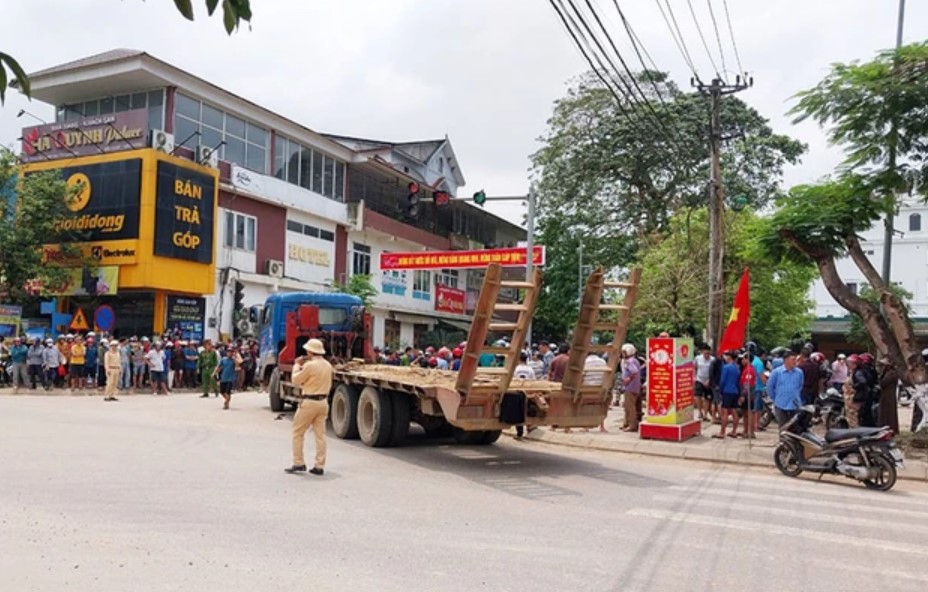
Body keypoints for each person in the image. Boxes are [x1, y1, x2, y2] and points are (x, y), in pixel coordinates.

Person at [285, 338, 333, 476]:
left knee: (298, 432)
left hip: (309, 402)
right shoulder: (327, 365)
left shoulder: (310, 365)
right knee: (320, 435)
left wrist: (296, 366)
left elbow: (296, 380)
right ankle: (319, 465)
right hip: (323, 402)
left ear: (310, 351)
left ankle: (298, 462)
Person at [766, 350, 804, 428]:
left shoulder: (799, 372)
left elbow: (800, 386)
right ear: (786, 360)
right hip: (781, 404)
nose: (795, 361)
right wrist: (776, 398)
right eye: (793, 359)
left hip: (795, 404)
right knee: (783, 428)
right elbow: (770, 387)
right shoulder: (777, 372)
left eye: (795, 359)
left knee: (795, 428)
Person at [714, 352, 741, 439]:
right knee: (733, 411)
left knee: (724, 412)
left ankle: (722, 432)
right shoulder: (737, 368)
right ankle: (734, 431)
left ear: (729, 357)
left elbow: (722, 381)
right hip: (735, 391)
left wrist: (720, 390)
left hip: (727, 391)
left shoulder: (726, 367)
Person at [620, 343, 641, 432]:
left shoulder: (630, 361)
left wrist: (628, 379)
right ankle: (626, 423)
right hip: (635, 386)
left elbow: (634, 371)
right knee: (628, 406)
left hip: (630, 387)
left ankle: (632, 425)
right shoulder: (635, 360)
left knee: (630, 407)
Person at [693, 345, 714, 422]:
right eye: (705, 353)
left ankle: (705, 414)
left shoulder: (712, 360)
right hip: (699, 379)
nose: (707, 355)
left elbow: (713, 372)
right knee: (698, 396)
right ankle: (700, 412)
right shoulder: (698, 358)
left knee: (707, 398)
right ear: (702, 352)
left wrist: (709, 380)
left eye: (708, 353)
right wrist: (694, 377)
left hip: (708, 381)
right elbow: (694, 367)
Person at [843, 354, 862, 428]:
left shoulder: (858, 373)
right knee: (849, 417)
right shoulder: (851, 372)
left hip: (852, 398)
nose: (849, 365)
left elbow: (862, 382)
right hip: (848, 398)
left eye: (851, 363)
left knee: (853, 416)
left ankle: (855, 431)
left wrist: (853, 387)